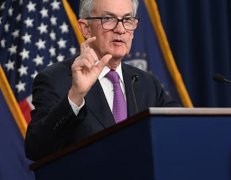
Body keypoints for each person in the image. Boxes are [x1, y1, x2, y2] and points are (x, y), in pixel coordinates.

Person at [25, 0, 180, 161]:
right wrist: (75, 96)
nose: (120, 29)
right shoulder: (55, 79)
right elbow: (35, 149)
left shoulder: (147, 83)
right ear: (85, 28)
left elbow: (180, 128)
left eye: (127, 20)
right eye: (108, 19)